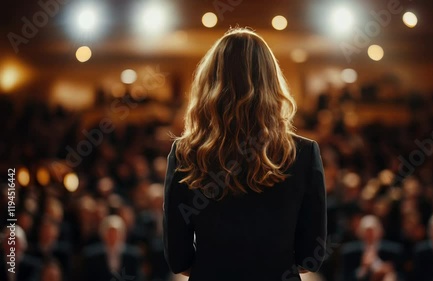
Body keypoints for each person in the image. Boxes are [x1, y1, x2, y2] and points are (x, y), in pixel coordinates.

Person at [163, 27, 327, 281]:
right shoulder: (304, 154)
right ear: (272, 82)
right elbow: (310, 258)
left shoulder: (185, 153)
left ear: (211, 82)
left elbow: (178, 259)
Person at [341, 215, 401, 281]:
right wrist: (363, 269)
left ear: (379, 231)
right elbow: (345, 277)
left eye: (372, 230)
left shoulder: (393, 250)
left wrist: (388, 271)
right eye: (367, 231)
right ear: (360, 232)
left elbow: (402, 275)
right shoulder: (350, 252)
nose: (370, 234)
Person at [82, 215, 142, 281]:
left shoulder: (132, 255)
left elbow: (136, 277)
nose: (113, 236)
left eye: (115, 233)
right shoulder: (92, 255)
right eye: (110, 232)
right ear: (103, 233)